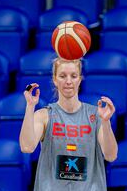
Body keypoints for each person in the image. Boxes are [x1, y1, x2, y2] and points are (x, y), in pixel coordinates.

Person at [19, 57, 118, 191]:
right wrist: (30, 106)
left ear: (80, 79)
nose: (68, 81)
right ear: (55, 79)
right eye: (62, 76)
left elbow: (111, 155)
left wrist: (106, 122)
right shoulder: (44, 115)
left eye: (74, 76)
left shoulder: (96, 115)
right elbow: (26, 147)